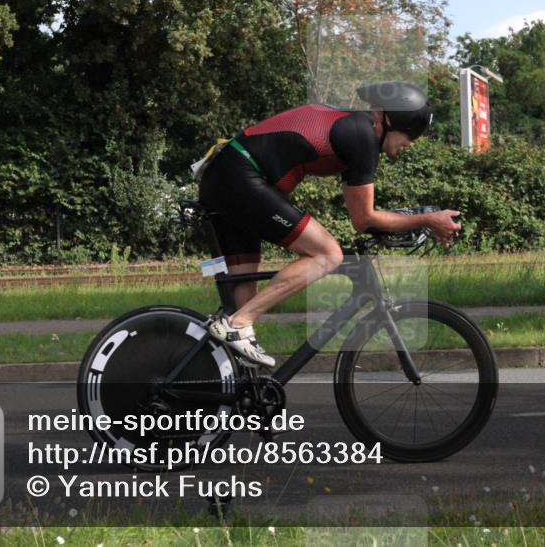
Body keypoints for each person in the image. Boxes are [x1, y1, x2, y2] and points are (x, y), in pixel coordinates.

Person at [197, 81, 461, 366]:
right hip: (240, 177)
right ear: (390, 121)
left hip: (230, 177)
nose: (407, 147)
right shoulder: (362, 136)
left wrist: (419, 223)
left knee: (243, 296)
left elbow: (361, 217)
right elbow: (365, 219)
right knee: (328, 253)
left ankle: (231, 381)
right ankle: (237, 324)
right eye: (409, 138)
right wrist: (427, 219)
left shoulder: (355, 128)